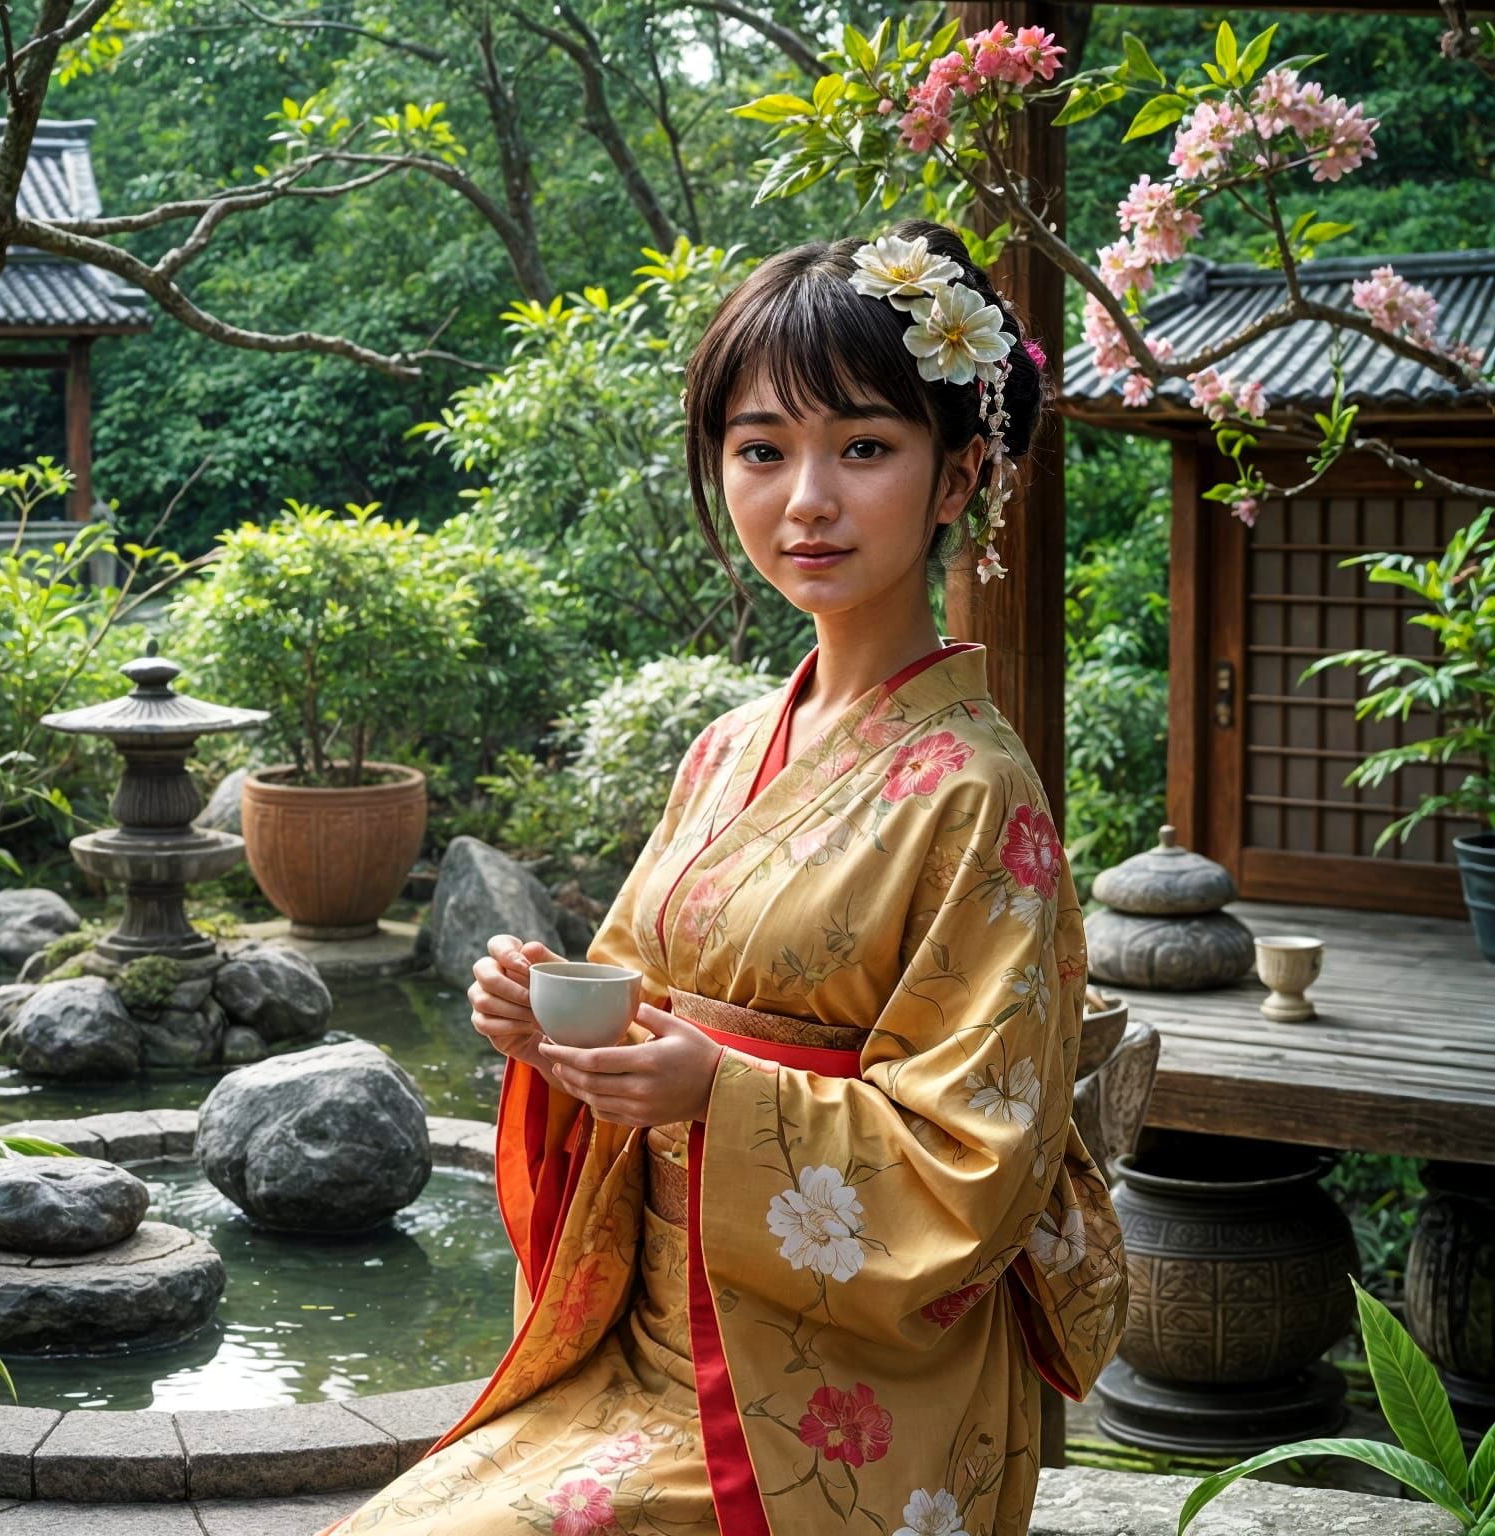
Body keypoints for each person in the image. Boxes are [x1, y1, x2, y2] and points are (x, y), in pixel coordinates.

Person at [320, 217, 1127, 1536]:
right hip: (654, 1327)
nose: (806, 496)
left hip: (847, 1385)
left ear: (956, 474)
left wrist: (722, 1092)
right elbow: (638, 996)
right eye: (762, 450)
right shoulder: (728, 746)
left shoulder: (981, 794)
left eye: (864, 446)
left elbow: (981, 1166)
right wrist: (542, 1016)